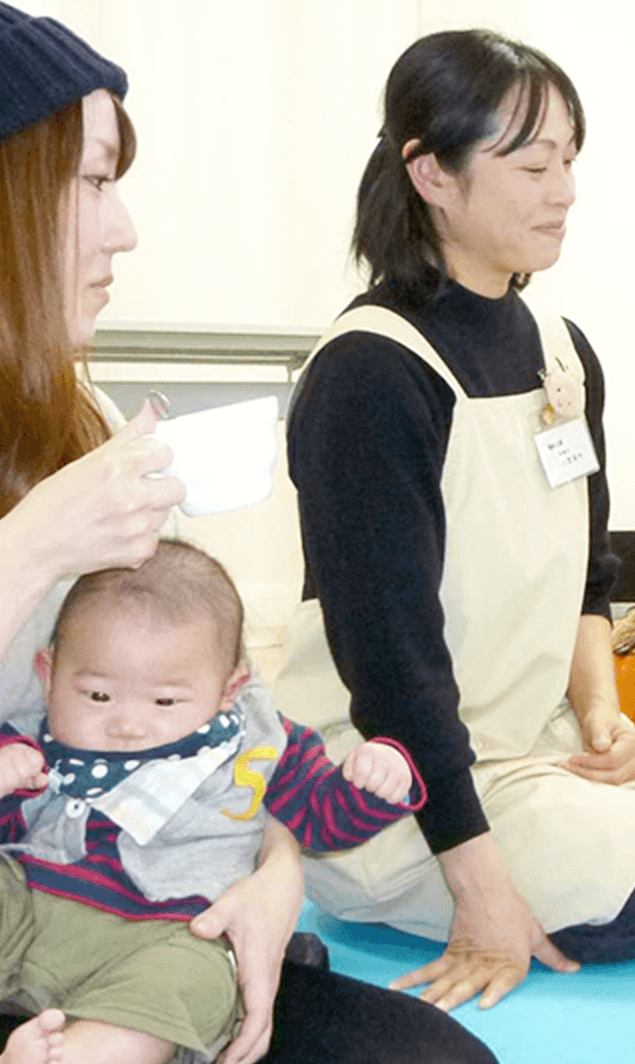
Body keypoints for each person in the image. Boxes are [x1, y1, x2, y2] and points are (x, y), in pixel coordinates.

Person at [0, 5, 498, 1062]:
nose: (125, 226)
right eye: (92, 180)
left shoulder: (75, 432)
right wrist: (29, 548)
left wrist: (273, 877)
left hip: (147, 933)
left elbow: (234, 709)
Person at [270, 28, 635, 1012]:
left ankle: (560, 832)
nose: (565, 188)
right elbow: (391, 666)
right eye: (531, 161)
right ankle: (409, 881)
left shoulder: (563, 350)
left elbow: (587, 572)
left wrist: (601, 713)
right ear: (432, 173)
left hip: (532, 745)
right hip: (392, 775)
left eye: (569, 159)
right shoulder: (371, 371)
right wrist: (483, 891)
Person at [0, 542, 423, 1063]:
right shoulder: (26, 745)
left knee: (195, 980)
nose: (128, 724)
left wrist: (372, 781)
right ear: (47, 674)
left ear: (231, 689)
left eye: (165, 702)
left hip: (164, 937)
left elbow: (322, 822)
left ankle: (71, 1056)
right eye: (98, 696)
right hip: (29, 906)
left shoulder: (262, 746)